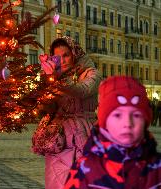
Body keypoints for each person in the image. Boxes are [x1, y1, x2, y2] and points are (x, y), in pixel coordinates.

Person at [64, 76, 161, 189]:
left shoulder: (157, 168)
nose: (127, 123)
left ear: (146, 120)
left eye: (136, 115)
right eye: (117, 115)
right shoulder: (84, 169)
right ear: (104, 121)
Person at [32, 36, 102, 189]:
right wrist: (42, 99)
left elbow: (82, 90)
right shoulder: (54, 78)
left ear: (75, 53)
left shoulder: (91, 74)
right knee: (57, 182)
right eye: (57, 57)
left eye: (66, 55)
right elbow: (49, 108)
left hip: (84, 133)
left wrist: (59, 81)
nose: (62, 61)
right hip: (59, 138)